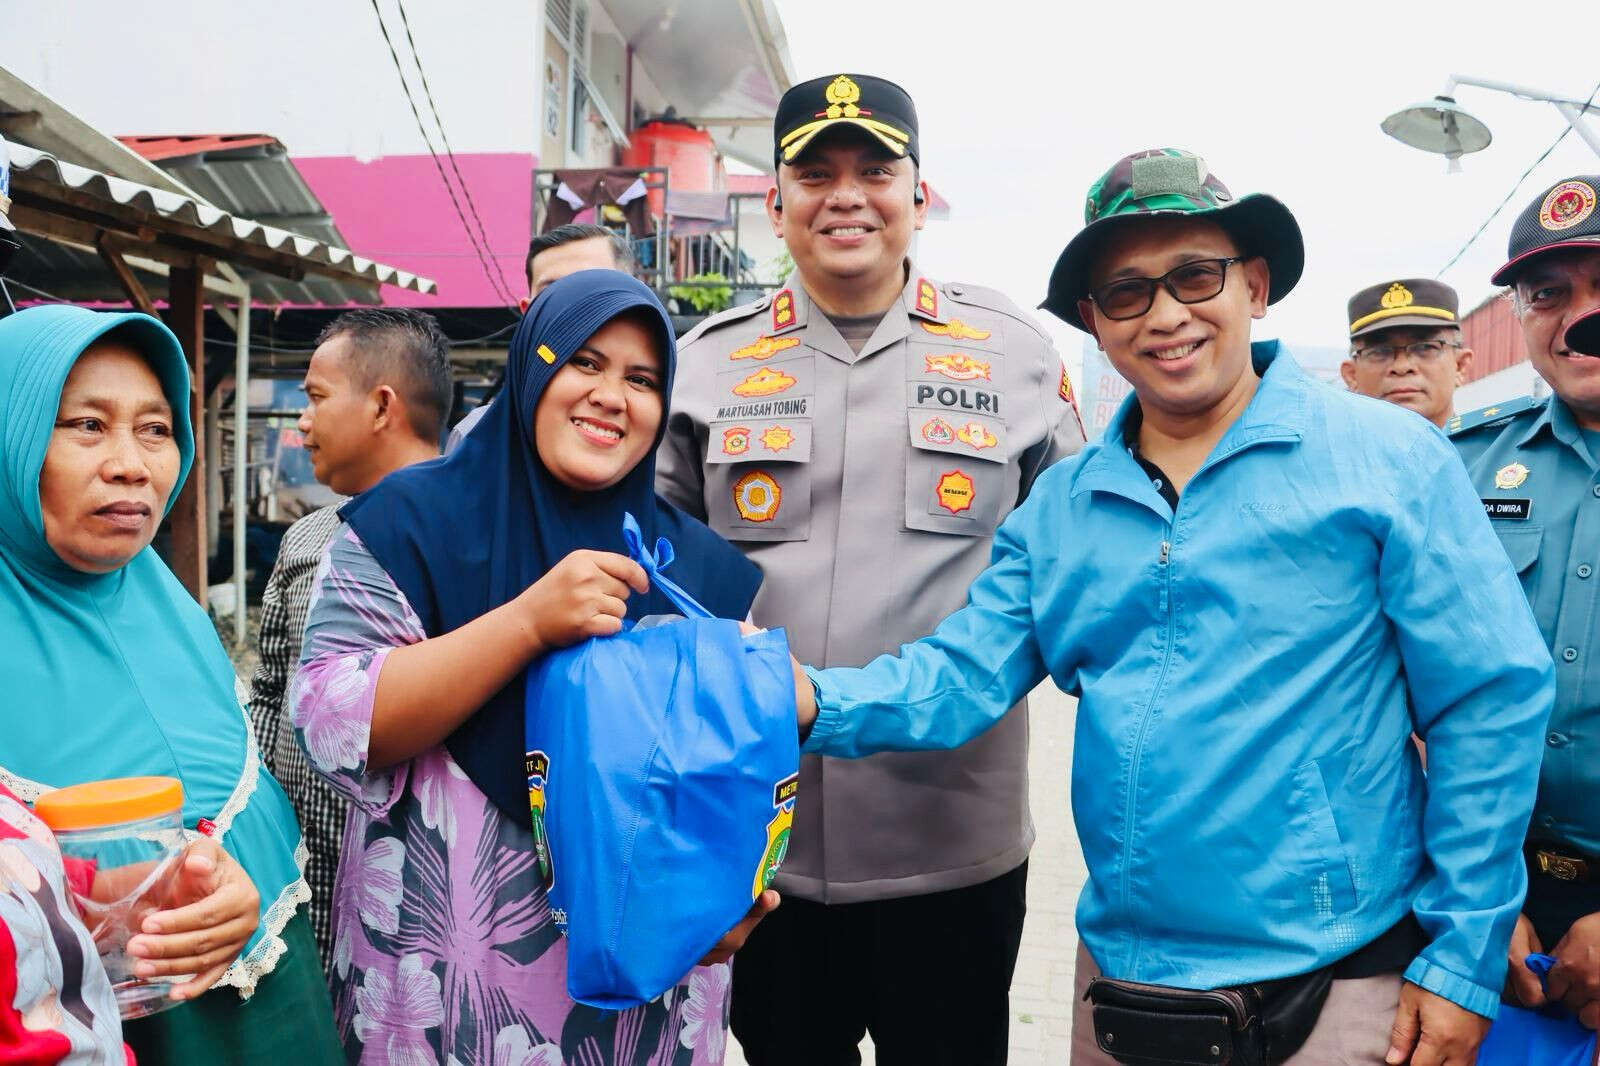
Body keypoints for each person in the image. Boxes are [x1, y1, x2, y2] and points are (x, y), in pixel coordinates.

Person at [786, 149, 1554, 1065]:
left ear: (1256, 284)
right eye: (1126, 292)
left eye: (1196, 275)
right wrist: (802, 699)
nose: (1166, 315)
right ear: (1093, 323)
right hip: (1123, 989)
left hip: (1344, 987)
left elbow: (1489, 698)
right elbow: (957, 677)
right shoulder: (1062, 508)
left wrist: (1463, 955)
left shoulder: (1387, 461)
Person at [656, 72, 1086, 1065]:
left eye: (874, 170)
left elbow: (1078, 567)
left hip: (950, 843)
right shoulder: (702, 364)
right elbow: (648, 580)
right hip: (754, 846)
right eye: (814, 173)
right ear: (774, 203)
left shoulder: (1013, 355)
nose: (844, 194)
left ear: (918, 196)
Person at [289, 270, 768, 1065]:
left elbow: (741, 775)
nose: (612, 396)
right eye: (584, 362)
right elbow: (336, 721)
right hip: (442, 999)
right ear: (533, 369)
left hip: (640, 1006)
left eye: (642, 379)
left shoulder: (698, 573)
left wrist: (738, 893)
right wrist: (526, 623)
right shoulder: (410, 525)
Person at [0, 305, 342, 1063]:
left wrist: (228, 888)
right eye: (87, 425)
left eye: (155, 429)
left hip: (268, 1014)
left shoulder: (170, 609)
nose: (131, 463)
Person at [249, 308, 451, 970]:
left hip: (428, 916)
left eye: (314, 397)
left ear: (380, 406)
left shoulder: (478, 538)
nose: (301, 421)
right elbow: (271, 693)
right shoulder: (308, 539)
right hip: (305, 890)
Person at [1448, 172, 1600, 1031]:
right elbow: (1395, 696)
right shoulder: (1459, 468)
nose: (1577, 314)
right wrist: (1469, 893)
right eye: (1549, 294)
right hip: (1480, 893)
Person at [447, 222, 634, 449]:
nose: (571, 305)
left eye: (591, 288)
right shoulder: (475, 437)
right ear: (529, 312)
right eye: (551, 293)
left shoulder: (662, 427)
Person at [1339, 278, 1473, 428]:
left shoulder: (1494, 450)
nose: (1402, 367)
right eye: (1379, 352)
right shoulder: (1329, 451)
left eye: (1425, 347)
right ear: (1351, 376)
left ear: (1460, 366)